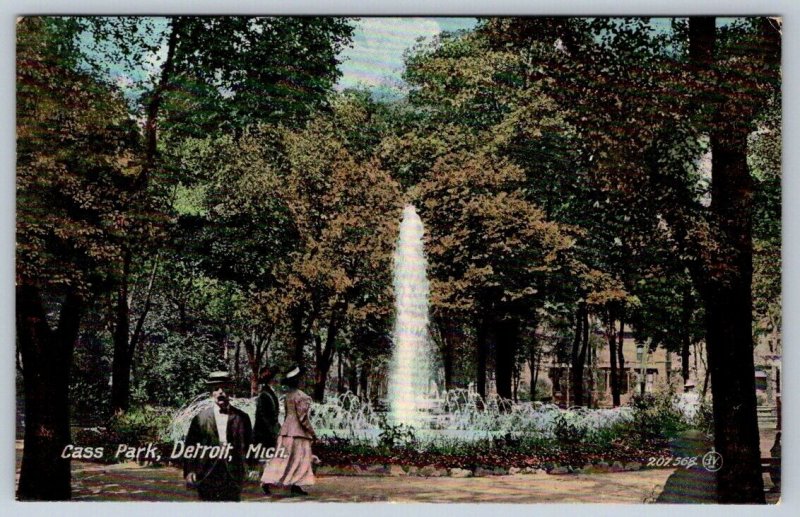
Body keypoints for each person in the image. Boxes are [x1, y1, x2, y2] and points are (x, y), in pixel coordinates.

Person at [183, 371, 252, 501]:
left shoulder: (242, 418)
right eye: (216, 389)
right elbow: (190, 446)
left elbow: (249, 446)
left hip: (232, 473)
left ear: (230, 390)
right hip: (207, 471)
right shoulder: (200, 418)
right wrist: (190, 470)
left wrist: (251, 468)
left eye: (224, 388)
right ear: (211, 392)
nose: (220, 392)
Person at [261, 366, 316, 496]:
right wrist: (312, 433)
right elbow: (303, 419)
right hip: (298, 434)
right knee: (299, 460)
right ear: (298, 381)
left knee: (280, 459)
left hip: (285, 432)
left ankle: (268, 480)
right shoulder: (302, 397)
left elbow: (287, 415)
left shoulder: (287, 396)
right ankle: (295, 484)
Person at [253, 366, 280, 495]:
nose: (278, 379)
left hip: (268, 430)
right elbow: (263, 416)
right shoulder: (265, 394)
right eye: (276, 377)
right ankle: (263, 483)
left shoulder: (269, 392)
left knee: (268, 457)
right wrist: (272, 430)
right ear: (272, 379)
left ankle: (265, 481)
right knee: (266, 457)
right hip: (263, 432)